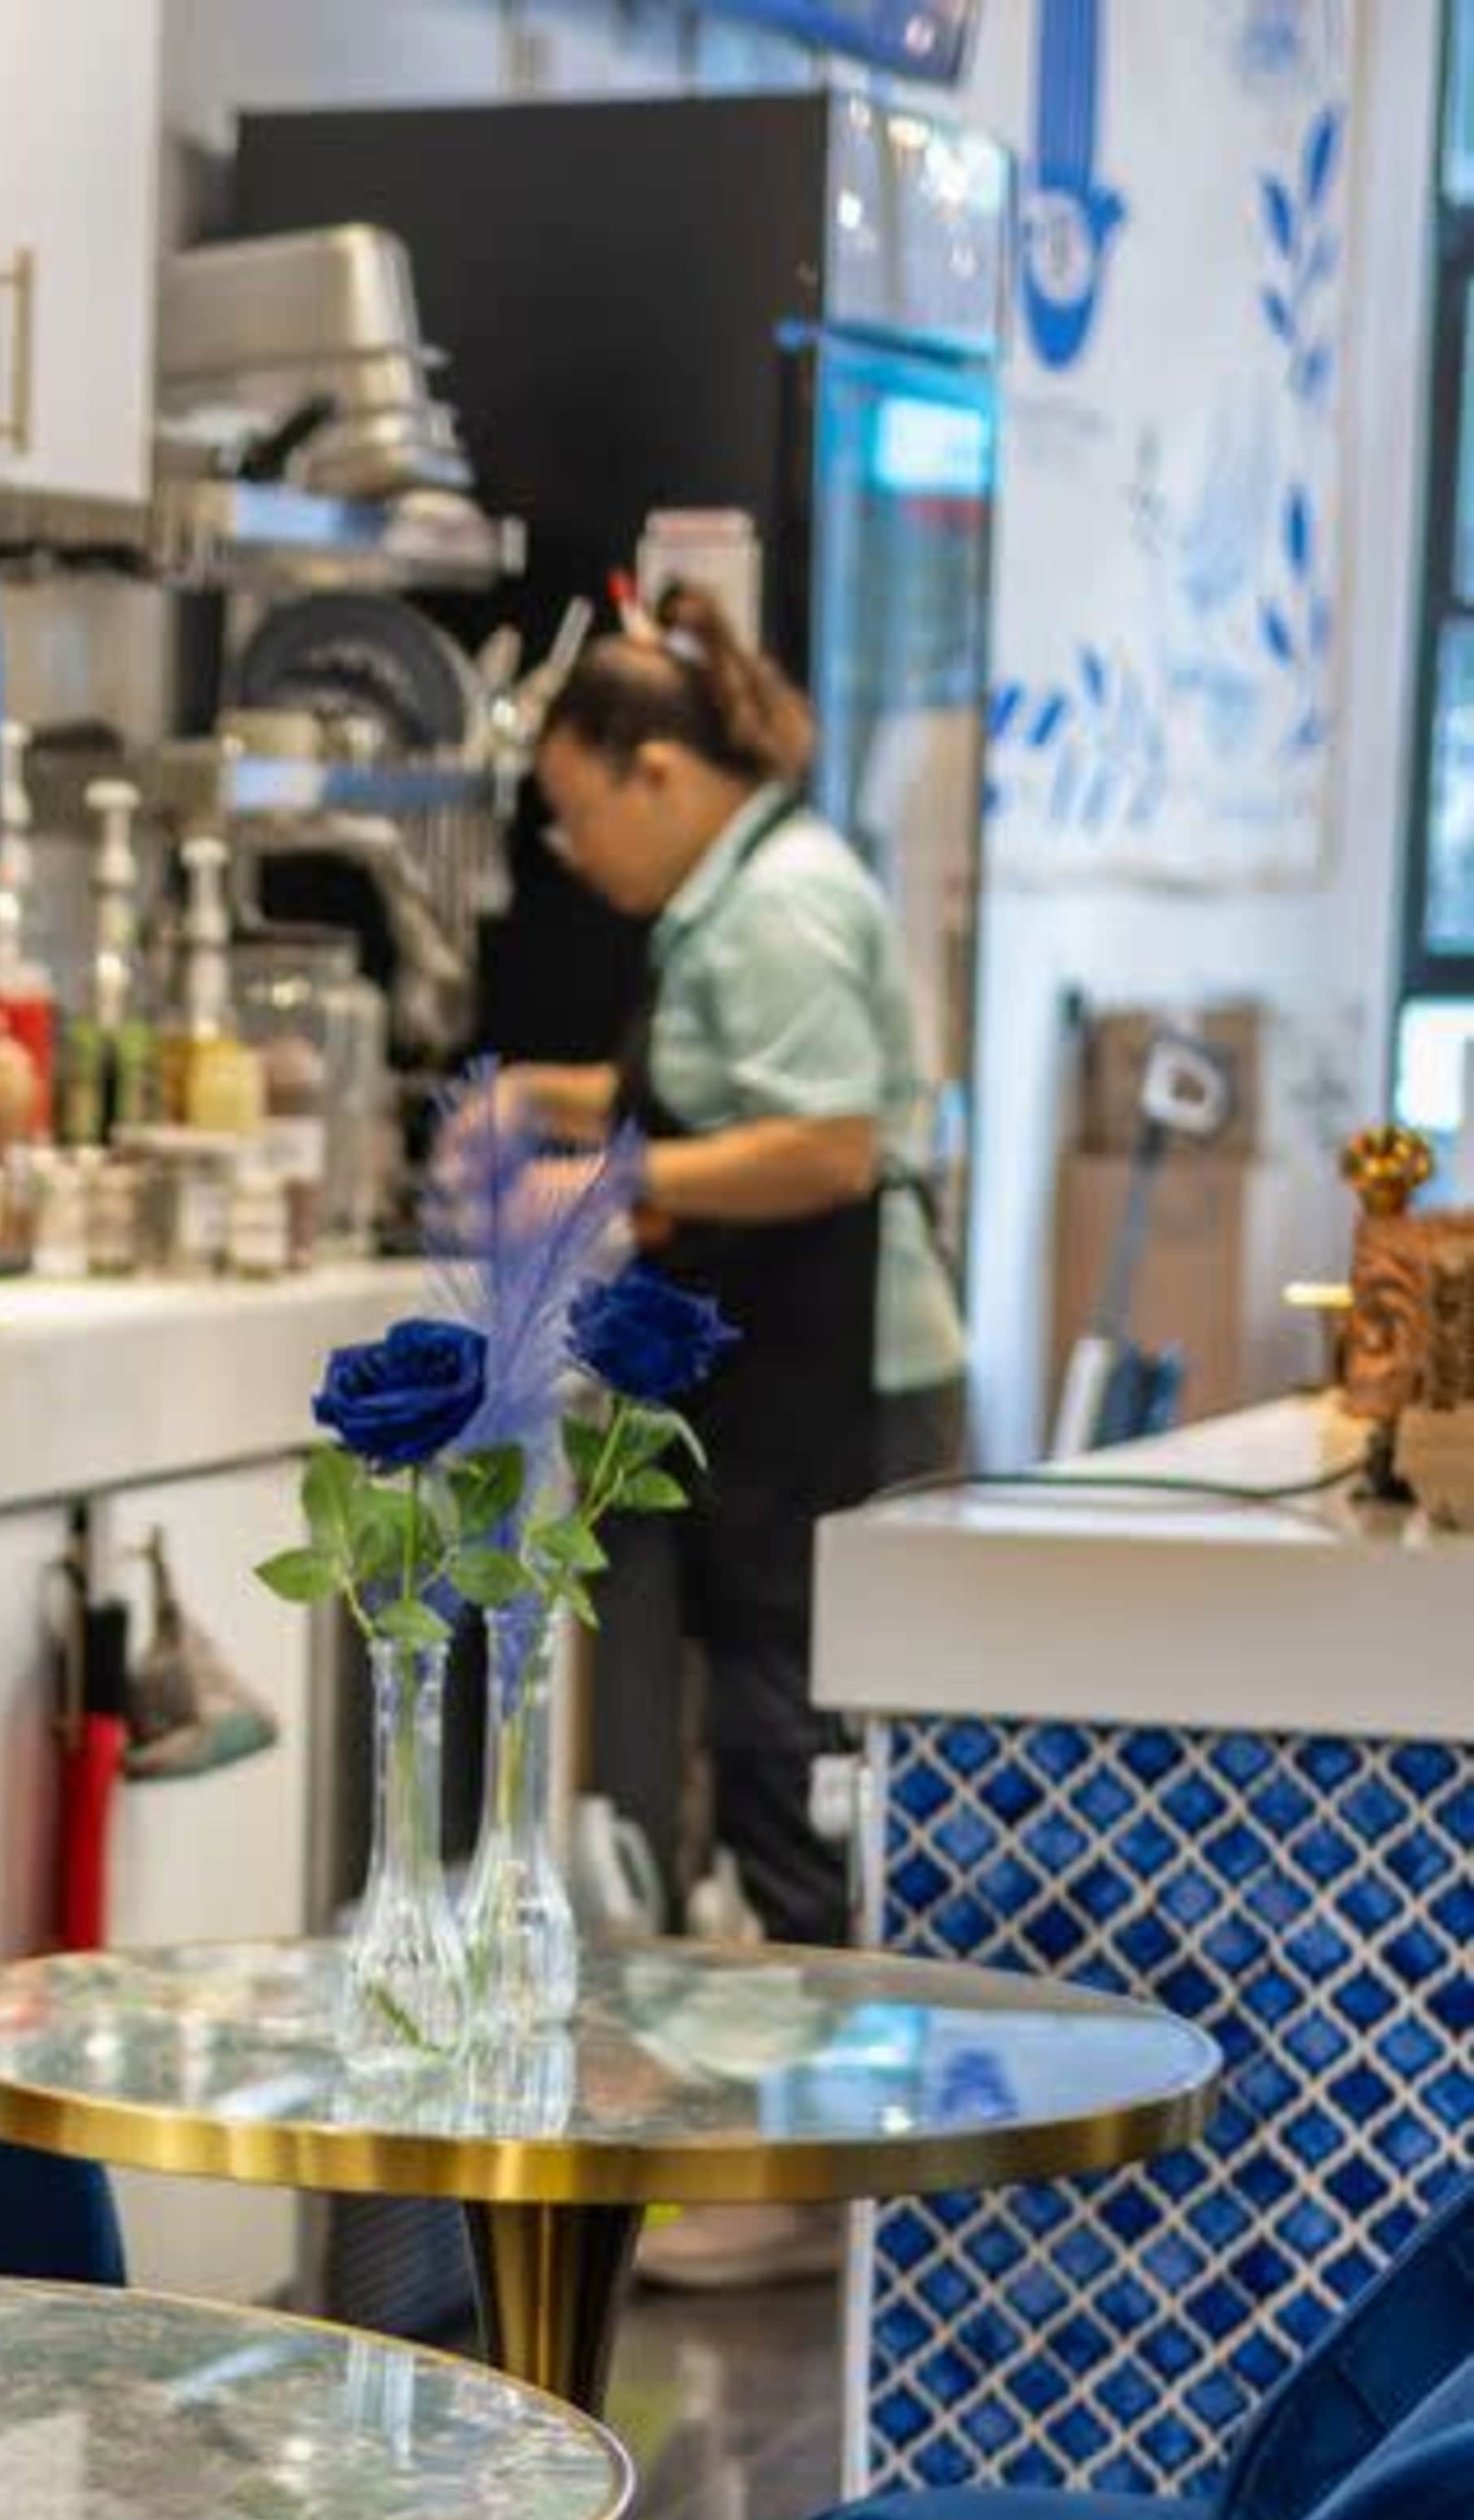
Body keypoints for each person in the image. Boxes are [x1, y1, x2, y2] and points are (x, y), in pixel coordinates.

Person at [509, 586, 970, 2286]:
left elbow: (826, 1148)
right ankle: (821, 2166)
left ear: (653, 773)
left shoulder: (768, 908)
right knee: (781, 1748)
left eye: (572, 813)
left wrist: (608, 1177)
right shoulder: (754, 887)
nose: (574, 852)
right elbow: (736, 1098)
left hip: (831, 1390)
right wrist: (558, 1097)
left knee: (799, 1769)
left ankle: (824, 2190)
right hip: (801, 1383)